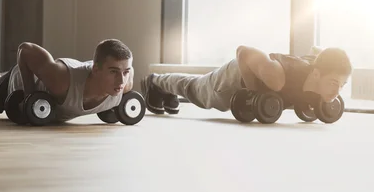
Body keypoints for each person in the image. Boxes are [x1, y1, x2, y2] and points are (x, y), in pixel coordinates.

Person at [140, 46, 352, 115]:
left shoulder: (316, 70)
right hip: (231, 81)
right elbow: (244, 52)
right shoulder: (278, 78)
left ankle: (161, 85)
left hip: (246, 78)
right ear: (316, 74)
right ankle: (155, 81)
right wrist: (253, 94)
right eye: (334, 83)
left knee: (194, 86)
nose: (337, 92)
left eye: (342, 86)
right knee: (194, 89)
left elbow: (316, 52)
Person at [0, 39, 134, 122]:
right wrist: (29, 94)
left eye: (125, 71)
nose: (121, 79)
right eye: (113, 72)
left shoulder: (125, 82)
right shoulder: (62, 81)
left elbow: (125, 75)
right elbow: (25, 49)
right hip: (22, 81)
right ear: (96, 69)